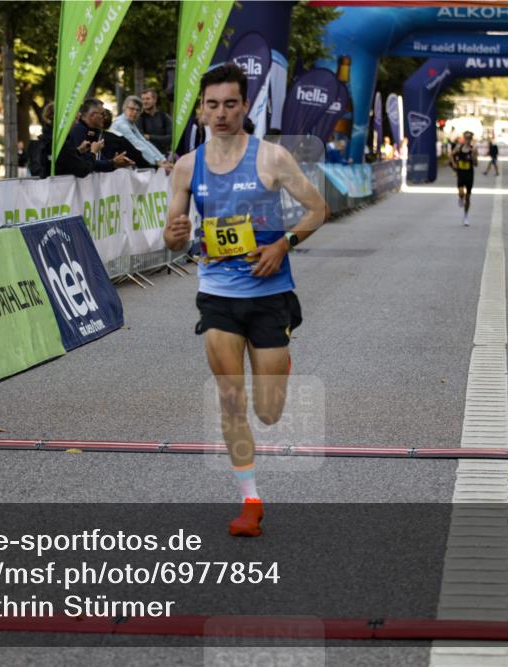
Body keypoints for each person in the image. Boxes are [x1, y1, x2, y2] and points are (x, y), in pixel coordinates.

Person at [163, 63, 327, 538]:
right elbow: (174, 236)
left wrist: (283, 245)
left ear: (243, 107)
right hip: (217, 294)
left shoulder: (271, 158)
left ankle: (279, 369)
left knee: (269, 411)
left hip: (270, 294)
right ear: (201, 110)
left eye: (230, 104)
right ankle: (250, 501)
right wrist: (175, 235)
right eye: (212, 105)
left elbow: (318, 209)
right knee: (231, 399)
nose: (220, 114)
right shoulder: (189, 166)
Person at [68, 98, 135, 173]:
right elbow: (86, 165)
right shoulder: (78, 131)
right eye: (103, 114)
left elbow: (98, 160)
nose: (105, 117)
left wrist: (114, 161)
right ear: (92, 115)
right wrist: (113, 163)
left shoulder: (96, 131)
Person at [109, 96, 172, 171]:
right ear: (124, 108)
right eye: (131, 109)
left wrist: (163, 160)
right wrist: (157, 161)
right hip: (116, 166)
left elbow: (144, 141)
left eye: (138, 110)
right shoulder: (121, 124)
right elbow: (137, 144)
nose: (135, 112)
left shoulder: (130, 123)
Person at [450, 130, 477, 226]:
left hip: (469, 174)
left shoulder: (473, 149)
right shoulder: (459, 147)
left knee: (468, 197)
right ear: (464, 138)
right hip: (460, 173)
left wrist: (473, 156)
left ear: (471, 139)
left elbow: (476, 164)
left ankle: (465, 216)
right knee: (461, 192)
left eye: (469, 138)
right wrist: (453, 164)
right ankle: (461, 198)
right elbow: (451, 155)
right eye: (466, 138)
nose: (467, 140)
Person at [137, 88, 173, 157]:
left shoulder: (164, 117)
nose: (144, 101)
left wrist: (149, 137)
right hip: (146, 158)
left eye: (147, 99)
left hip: (164, 156)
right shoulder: (139, 118)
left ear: (155, 100)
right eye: (143, 99)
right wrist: (161, 138)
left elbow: (170, 138)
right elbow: (140, 139)